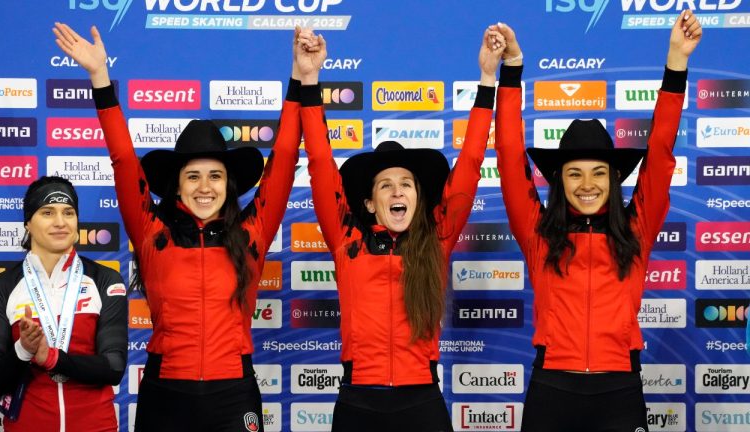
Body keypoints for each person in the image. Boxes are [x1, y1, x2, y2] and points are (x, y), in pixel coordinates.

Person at [52, 22, 305, 431]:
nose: (205, 187)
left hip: (233, 394)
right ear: (177, 185)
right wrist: (99, 77)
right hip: (165, 393)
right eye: (193, 176)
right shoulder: (152, 232)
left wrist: (300, 77)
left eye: (215, 176)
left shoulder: (251, 233)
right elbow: (123, 160)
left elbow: (286, 157)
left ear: (229, 184)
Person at [493, 12, 701, 432]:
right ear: (559, 181)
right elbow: (510, 157)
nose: (587, 185)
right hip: (552, 390)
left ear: (614, 179)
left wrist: (676, 62)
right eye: (574, 174)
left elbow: (661, 151)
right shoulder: (538, 233)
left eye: (598, 173)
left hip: (620, 392)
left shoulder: (637, 228)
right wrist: (512, 69)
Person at [298, 27, 505, 431]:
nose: (397, 191)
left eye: (406, 184)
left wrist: (487, 79)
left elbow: (470, 164)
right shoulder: (347, 240)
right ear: (369, 203)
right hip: (358, 402)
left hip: (421, 403)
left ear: (418, 197)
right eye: (386, 185)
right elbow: (321, 165)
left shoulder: (437, 239)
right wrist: (309, 80)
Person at [0, 176, 128, 432]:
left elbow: (113, 367)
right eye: (47, 212)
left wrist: (51, 358)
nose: (60, 222)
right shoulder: (0, 287)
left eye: (68, 212)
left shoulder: (105, 279)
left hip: (95, 426)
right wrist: (23, 350)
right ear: (28, 222)